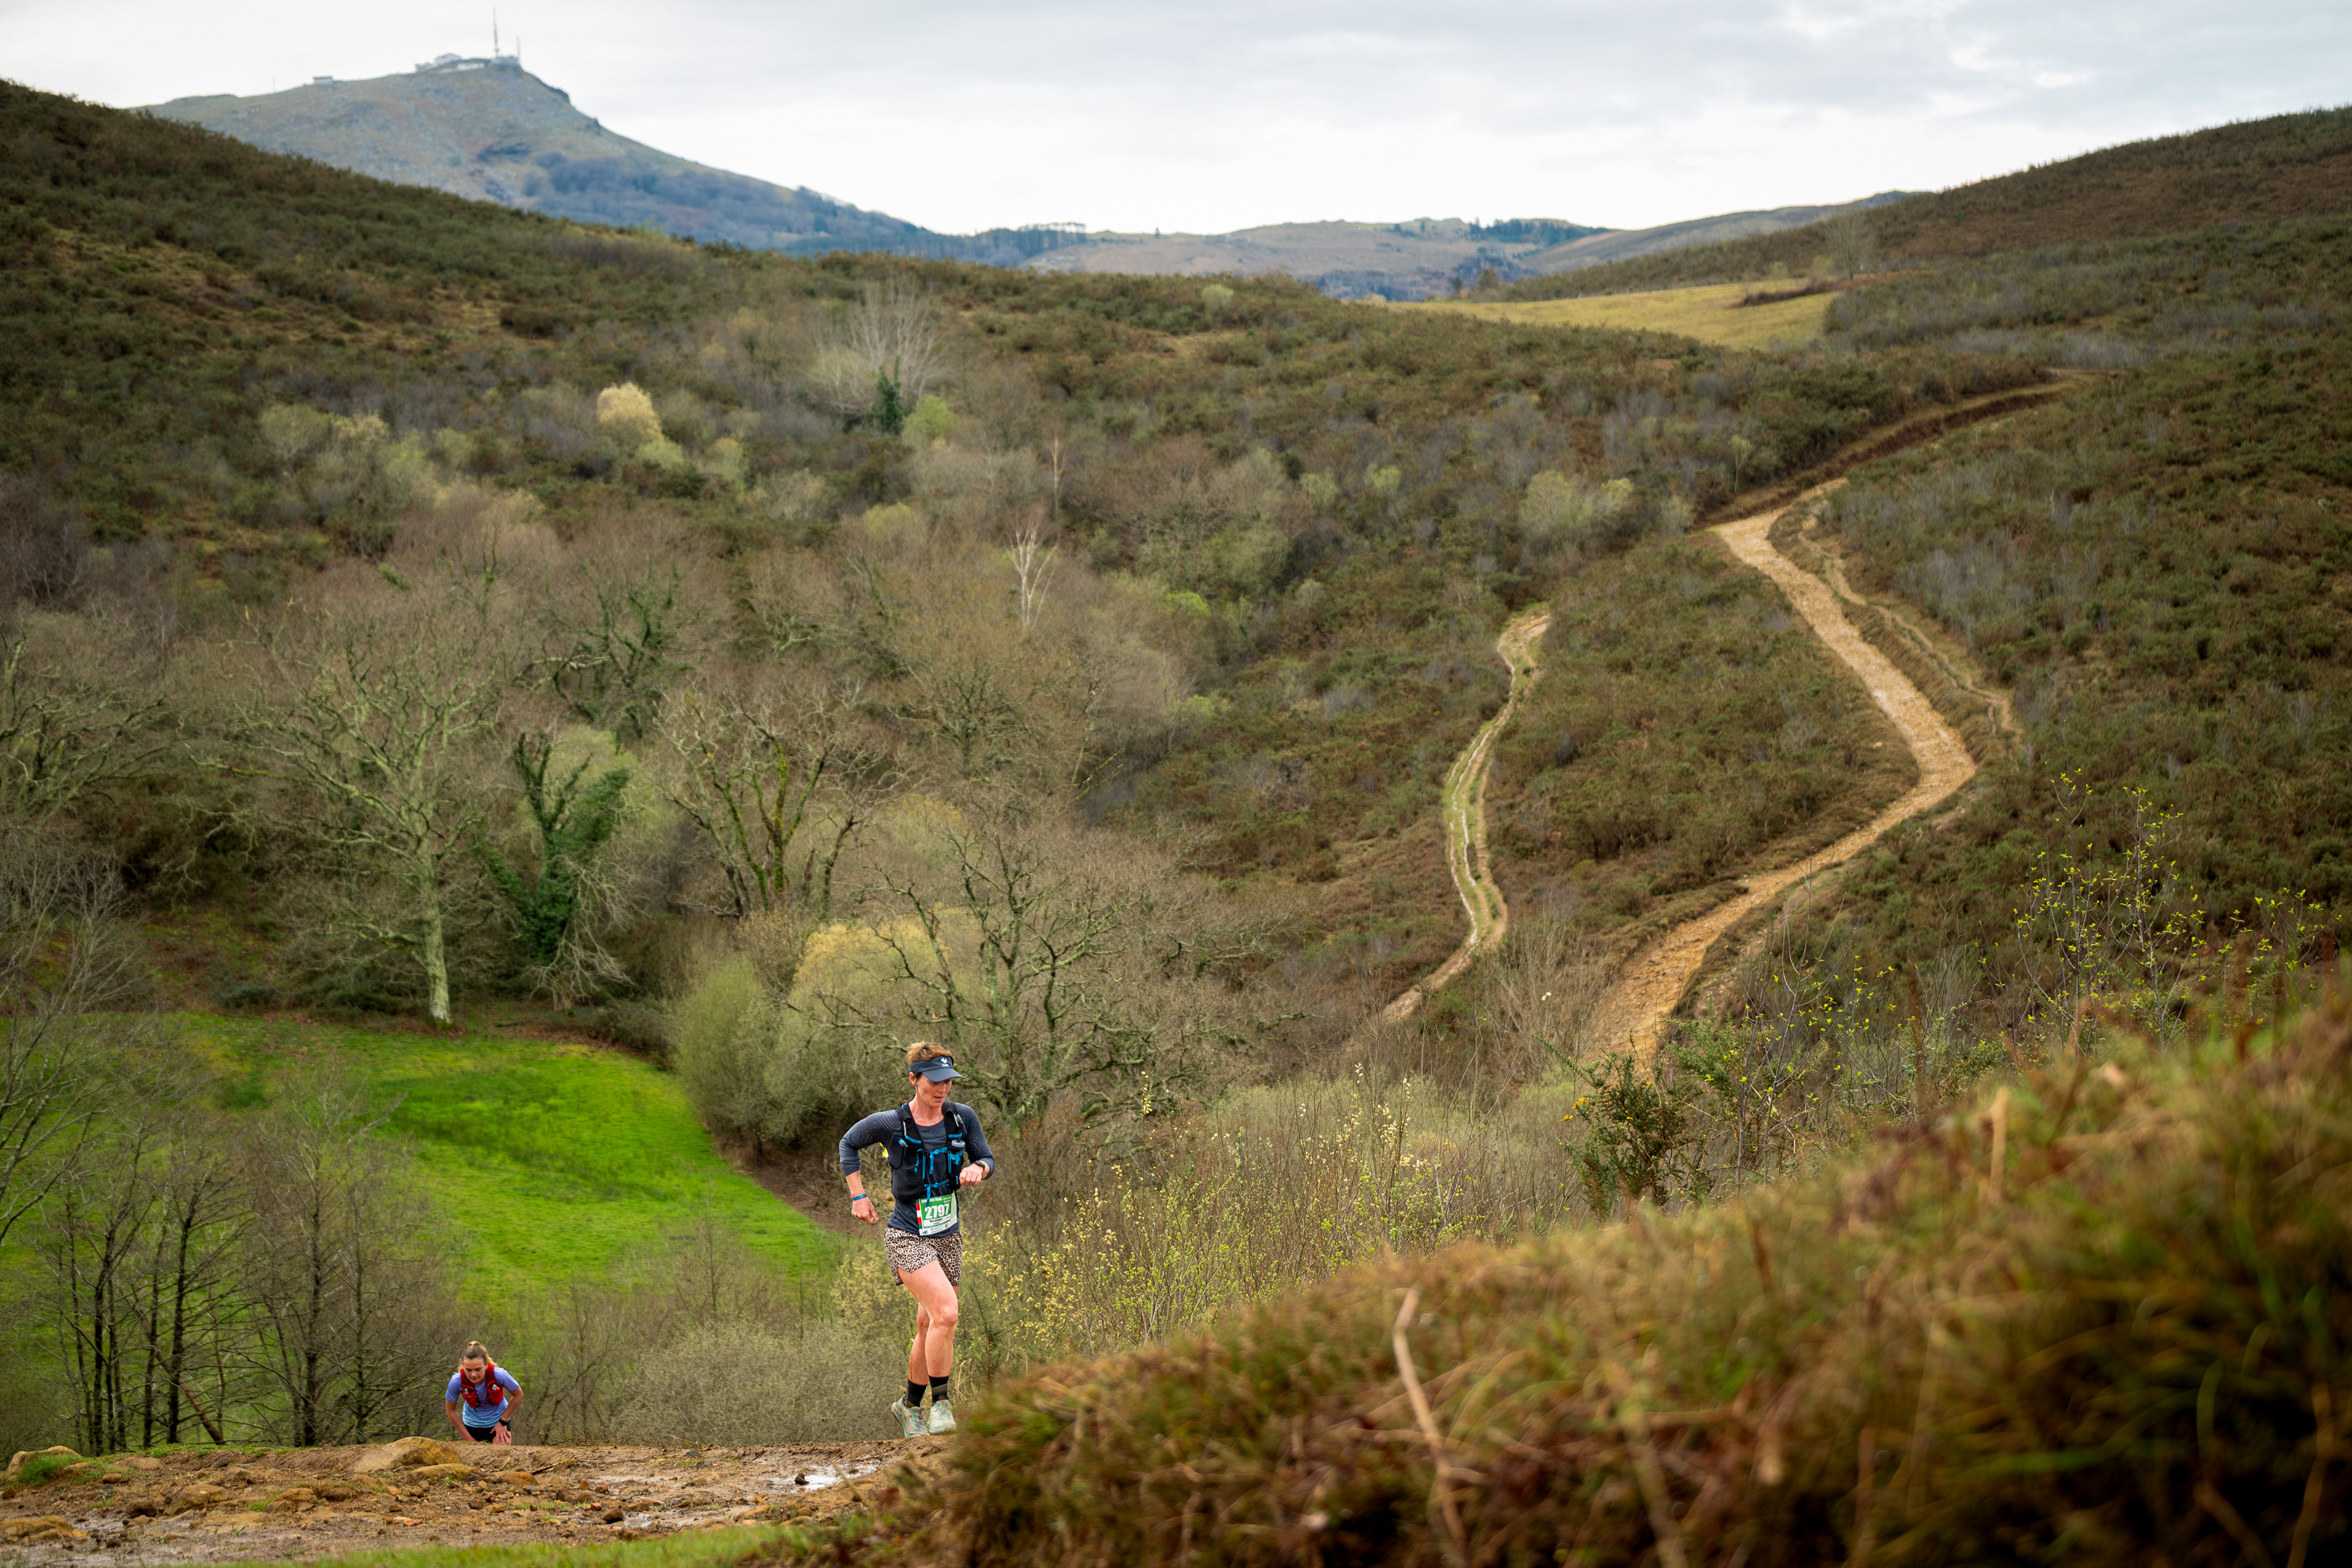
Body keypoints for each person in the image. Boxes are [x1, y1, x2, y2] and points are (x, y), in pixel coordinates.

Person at [839, 1041, 996, 1438]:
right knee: (947, 1313)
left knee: (930, 1325)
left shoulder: (962, 1118)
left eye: (949, 1081)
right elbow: (848, 1143)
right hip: (907, 1234)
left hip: (948, 1235)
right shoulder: (891, 1123)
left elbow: (987, 1157)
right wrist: (858, 1196)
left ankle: (909, 1408)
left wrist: (978, 1169)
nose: (943, 1089)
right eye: (935, 1081)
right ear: (914, 1079)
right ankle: (941, 1405)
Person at [445, 1341, 521, 1444]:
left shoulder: (499, 1375)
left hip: (498, 1421)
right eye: (469, 1370)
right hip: (471, 1425)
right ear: (463, 1366)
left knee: (502, 1452)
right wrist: (467, 1437)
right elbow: (450, 1410)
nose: (473, 1375)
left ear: (486, 1365)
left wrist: (503, 1421)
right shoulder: (457, 1381)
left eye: (478, 1369)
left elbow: (518, 1395)